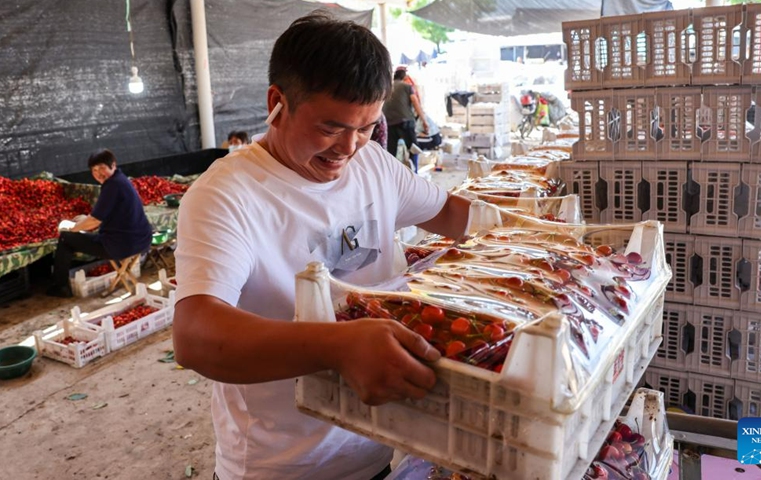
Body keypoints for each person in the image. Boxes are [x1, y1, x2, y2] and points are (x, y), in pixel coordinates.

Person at [172, 12, 471, 480]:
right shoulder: (226, 195)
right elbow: (195, 335)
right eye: (331, 128)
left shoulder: (373, 164)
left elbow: (451, 214)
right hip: (281, 466)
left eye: (367, 126)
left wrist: (542, 237)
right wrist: (338, 346)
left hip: (374, 448)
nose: (349, 148)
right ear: (278, 102)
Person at [46, 149, 153, 297]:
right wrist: (84, 219)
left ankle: (60, 287)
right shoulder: (120, 180)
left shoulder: (112, 186)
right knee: (81, 228)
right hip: (142, 241)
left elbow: (95, 221)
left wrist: (74, 228)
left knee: (66, 238)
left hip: (122, 246)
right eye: (94, 170)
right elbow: (100, 215)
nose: (98, 173)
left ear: (113, 165)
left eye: (102, 168)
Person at [383, 69, 428, 172]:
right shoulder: (407, 86)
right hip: (405, 122)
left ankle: (391, 176)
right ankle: (414, 173)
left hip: (389, 123)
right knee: (414, 149)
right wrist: (424, 121)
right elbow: (415, 103)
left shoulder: (387, 86)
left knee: (391, 153)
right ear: (404, 77)